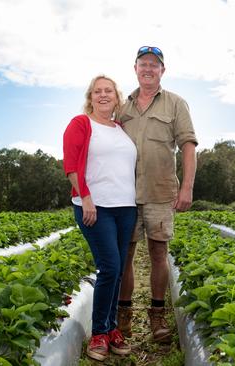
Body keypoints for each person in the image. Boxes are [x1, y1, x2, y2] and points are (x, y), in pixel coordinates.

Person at [117, 46, 198, 343]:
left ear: (162, 70)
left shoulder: (176, 103)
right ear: (135, 69)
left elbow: (188, 145)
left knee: (158, 252)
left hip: (161, 191)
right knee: (124, 254)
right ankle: (123, 318)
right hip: (124, 193)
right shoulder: (121, 107)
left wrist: (187, 186)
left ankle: (157, 316)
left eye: (154, 64)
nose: (148, 69)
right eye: (143, 64)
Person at [62, 75, 137, 361]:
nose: (103, 95)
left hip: (125, 208)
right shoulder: (81, 123)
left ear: (117, 98)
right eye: (97, 91)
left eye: (109, 91)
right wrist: (86, 198)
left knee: (118, 270)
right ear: (90, 97)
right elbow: (71, 164)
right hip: (95, 207)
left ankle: (113, 329)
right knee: (109, 267)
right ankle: (99, 334)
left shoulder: (120, 129)